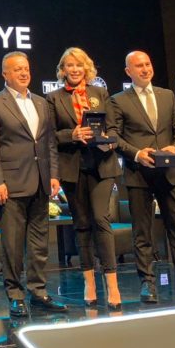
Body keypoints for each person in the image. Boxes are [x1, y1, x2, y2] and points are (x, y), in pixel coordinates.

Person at [107, 50, 175, 303]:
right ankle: (148, 283)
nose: (145, 69)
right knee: (142, 233)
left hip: (169, 172)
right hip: (138, 175)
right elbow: (114, 137)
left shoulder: (167, 95)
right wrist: (137, 154)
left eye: (147, 64)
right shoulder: (118, 100)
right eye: (139, 66)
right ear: (128, 71)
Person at [0, 51, 65, 318]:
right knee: (13, 245)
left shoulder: (41, 102)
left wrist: (53, 174)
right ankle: (15, 295)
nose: (24, 73)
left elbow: (49, 142)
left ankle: (38, 291)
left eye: (26, 68)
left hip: (41, 181)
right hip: (11, 184)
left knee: (39, 244)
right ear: (5, 74)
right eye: (17, 69)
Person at [46, 47, 122, 310]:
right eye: (70, 65)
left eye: (79, 65)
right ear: (63, 70)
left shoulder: (100, 93)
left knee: (101, 219)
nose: (75, 69)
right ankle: (89, 282)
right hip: (72, 168)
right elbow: (49, 136)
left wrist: (109, 140)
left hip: (102, 165)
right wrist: (72, 135)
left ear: (86, 68)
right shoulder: (53, 98)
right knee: (82, 224)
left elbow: (114, 128)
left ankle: (112, 284)